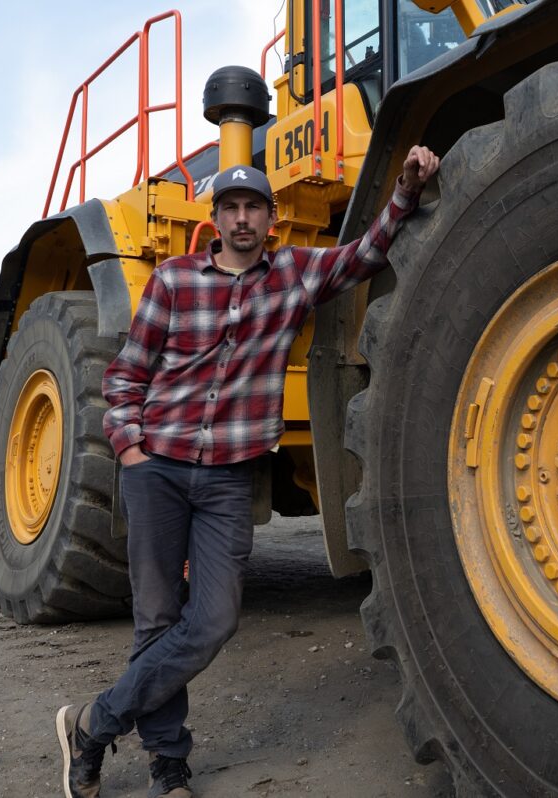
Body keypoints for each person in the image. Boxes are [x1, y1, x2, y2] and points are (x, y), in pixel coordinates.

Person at [55, 145, 441, 798]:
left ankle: (92, 723)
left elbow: (365, 255)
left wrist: (403, 190)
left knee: (211, 621)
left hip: (229, 482)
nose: (241, 219)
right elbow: (126, 374)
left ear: (269, 219)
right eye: (230, 207)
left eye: (253, 208)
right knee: (155, 617)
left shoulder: (291, 275)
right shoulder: (174, 282)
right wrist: (129, 450)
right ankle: (167, 765)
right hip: (159, 470)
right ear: (215, 219)